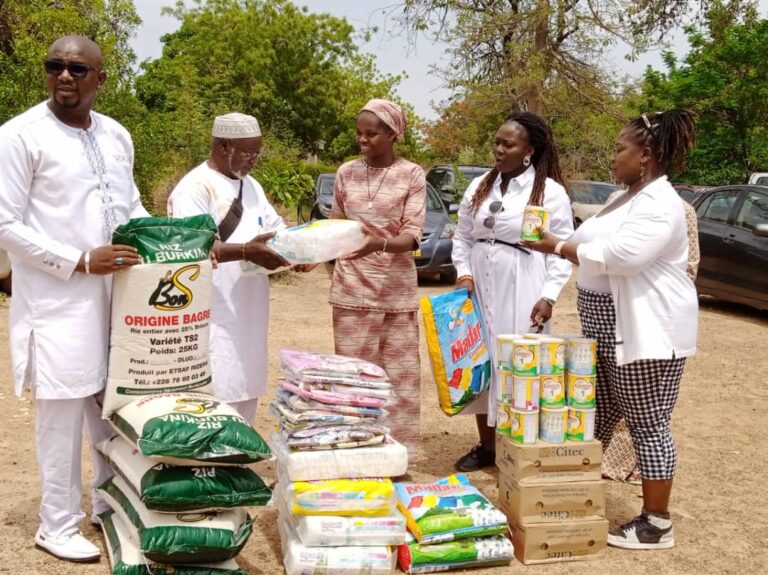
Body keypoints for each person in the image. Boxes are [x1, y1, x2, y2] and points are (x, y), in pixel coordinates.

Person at [0, 35, 149, 562]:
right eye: (55, 66)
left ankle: (108, 504)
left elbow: (130, 208)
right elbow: (5, 223)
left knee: (113, 409)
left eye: (78, 68)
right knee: (60, 415)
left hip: (117, 300)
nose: (65, 76)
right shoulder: (19, 136)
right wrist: (80, 260)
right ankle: (56, 524)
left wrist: (178, 245)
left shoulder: (116, 135)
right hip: (57, 301)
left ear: (100, 79)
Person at [524, 110, 698, 550]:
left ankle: (657, 525)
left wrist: (556, 246)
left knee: (648, 424)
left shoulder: (660, 205)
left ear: (648, 155)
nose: (613, 157)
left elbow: (623, 256)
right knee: (595, 415)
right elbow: (597, 241)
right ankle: (573, 499)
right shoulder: (628, 197)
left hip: (643, 333)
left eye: (621, 148)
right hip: (607, 331)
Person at [451, 112, 573, 472]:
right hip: (479, 288)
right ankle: (486, 446)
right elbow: (462, 237)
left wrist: (549, 296)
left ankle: (518, 447)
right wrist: (463, 274)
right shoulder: (479, 187)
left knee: (519, 365)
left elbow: (561, 248)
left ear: (529, 151)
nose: (499, 150)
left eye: (508, 144)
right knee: (480, 363)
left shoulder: (550, 192)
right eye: (497, 142)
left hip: (523, 283)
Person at [167, 113, 290, 424]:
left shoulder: (252, 187)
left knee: (244, 396)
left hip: (249, 313)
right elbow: (191, 248)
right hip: (211, 314)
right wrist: (248, 251)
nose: (255, 160)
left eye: (257, 152)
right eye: (249, 152)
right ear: (224, 147)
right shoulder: (194, 188)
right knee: (210, 400)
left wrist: (300, 252)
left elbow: (277, 229)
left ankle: (234, 465)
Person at [328, 98, 426, 455]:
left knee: (398, 379)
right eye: (359, 133)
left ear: (393, 133)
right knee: (353, 377)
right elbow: (335, 227)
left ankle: (398, 455)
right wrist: (310, 253)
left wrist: (378, 244)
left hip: (396, 293)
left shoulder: (412, 175)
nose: (362, 140)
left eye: (371, 133)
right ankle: (357, 451)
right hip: (351, 289)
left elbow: (413, 235)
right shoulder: (346, 173)